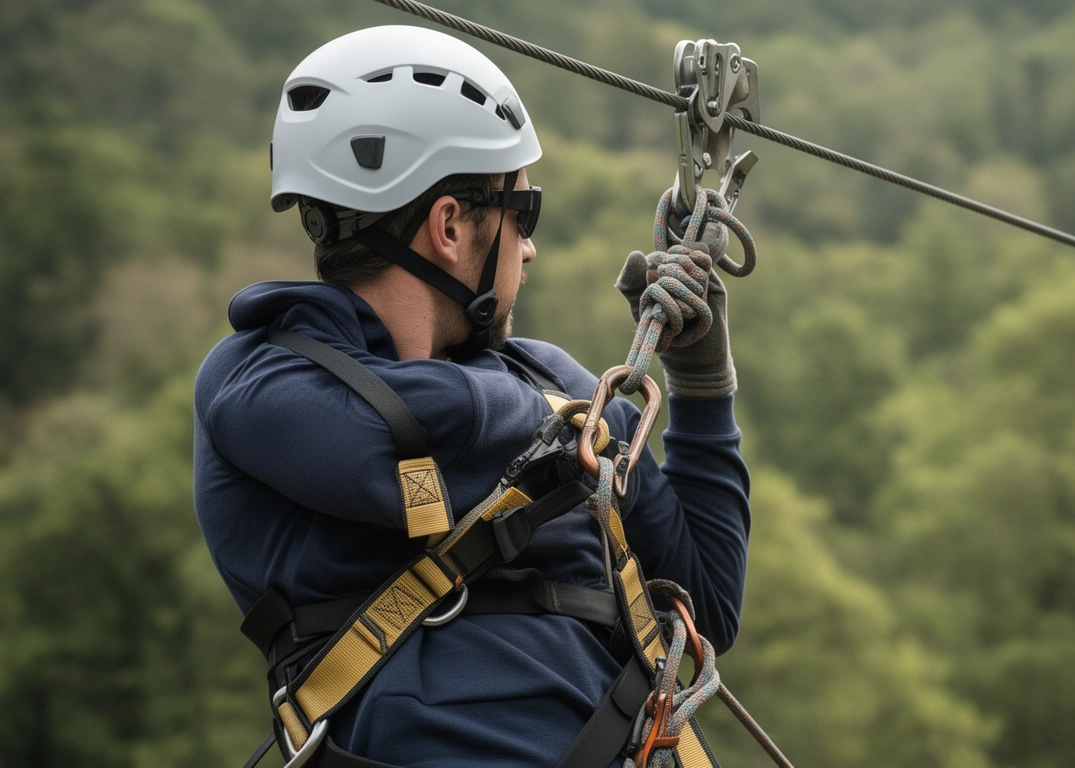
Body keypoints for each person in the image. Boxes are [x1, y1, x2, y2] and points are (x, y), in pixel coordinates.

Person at [192, 24, 750, 768]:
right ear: (451, 226)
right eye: (525, 214)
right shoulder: (259, 379)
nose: (529, 248)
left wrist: (703, 382)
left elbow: (706, 602)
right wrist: (581, 422)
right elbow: (400, 431)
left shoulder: (547, 380)